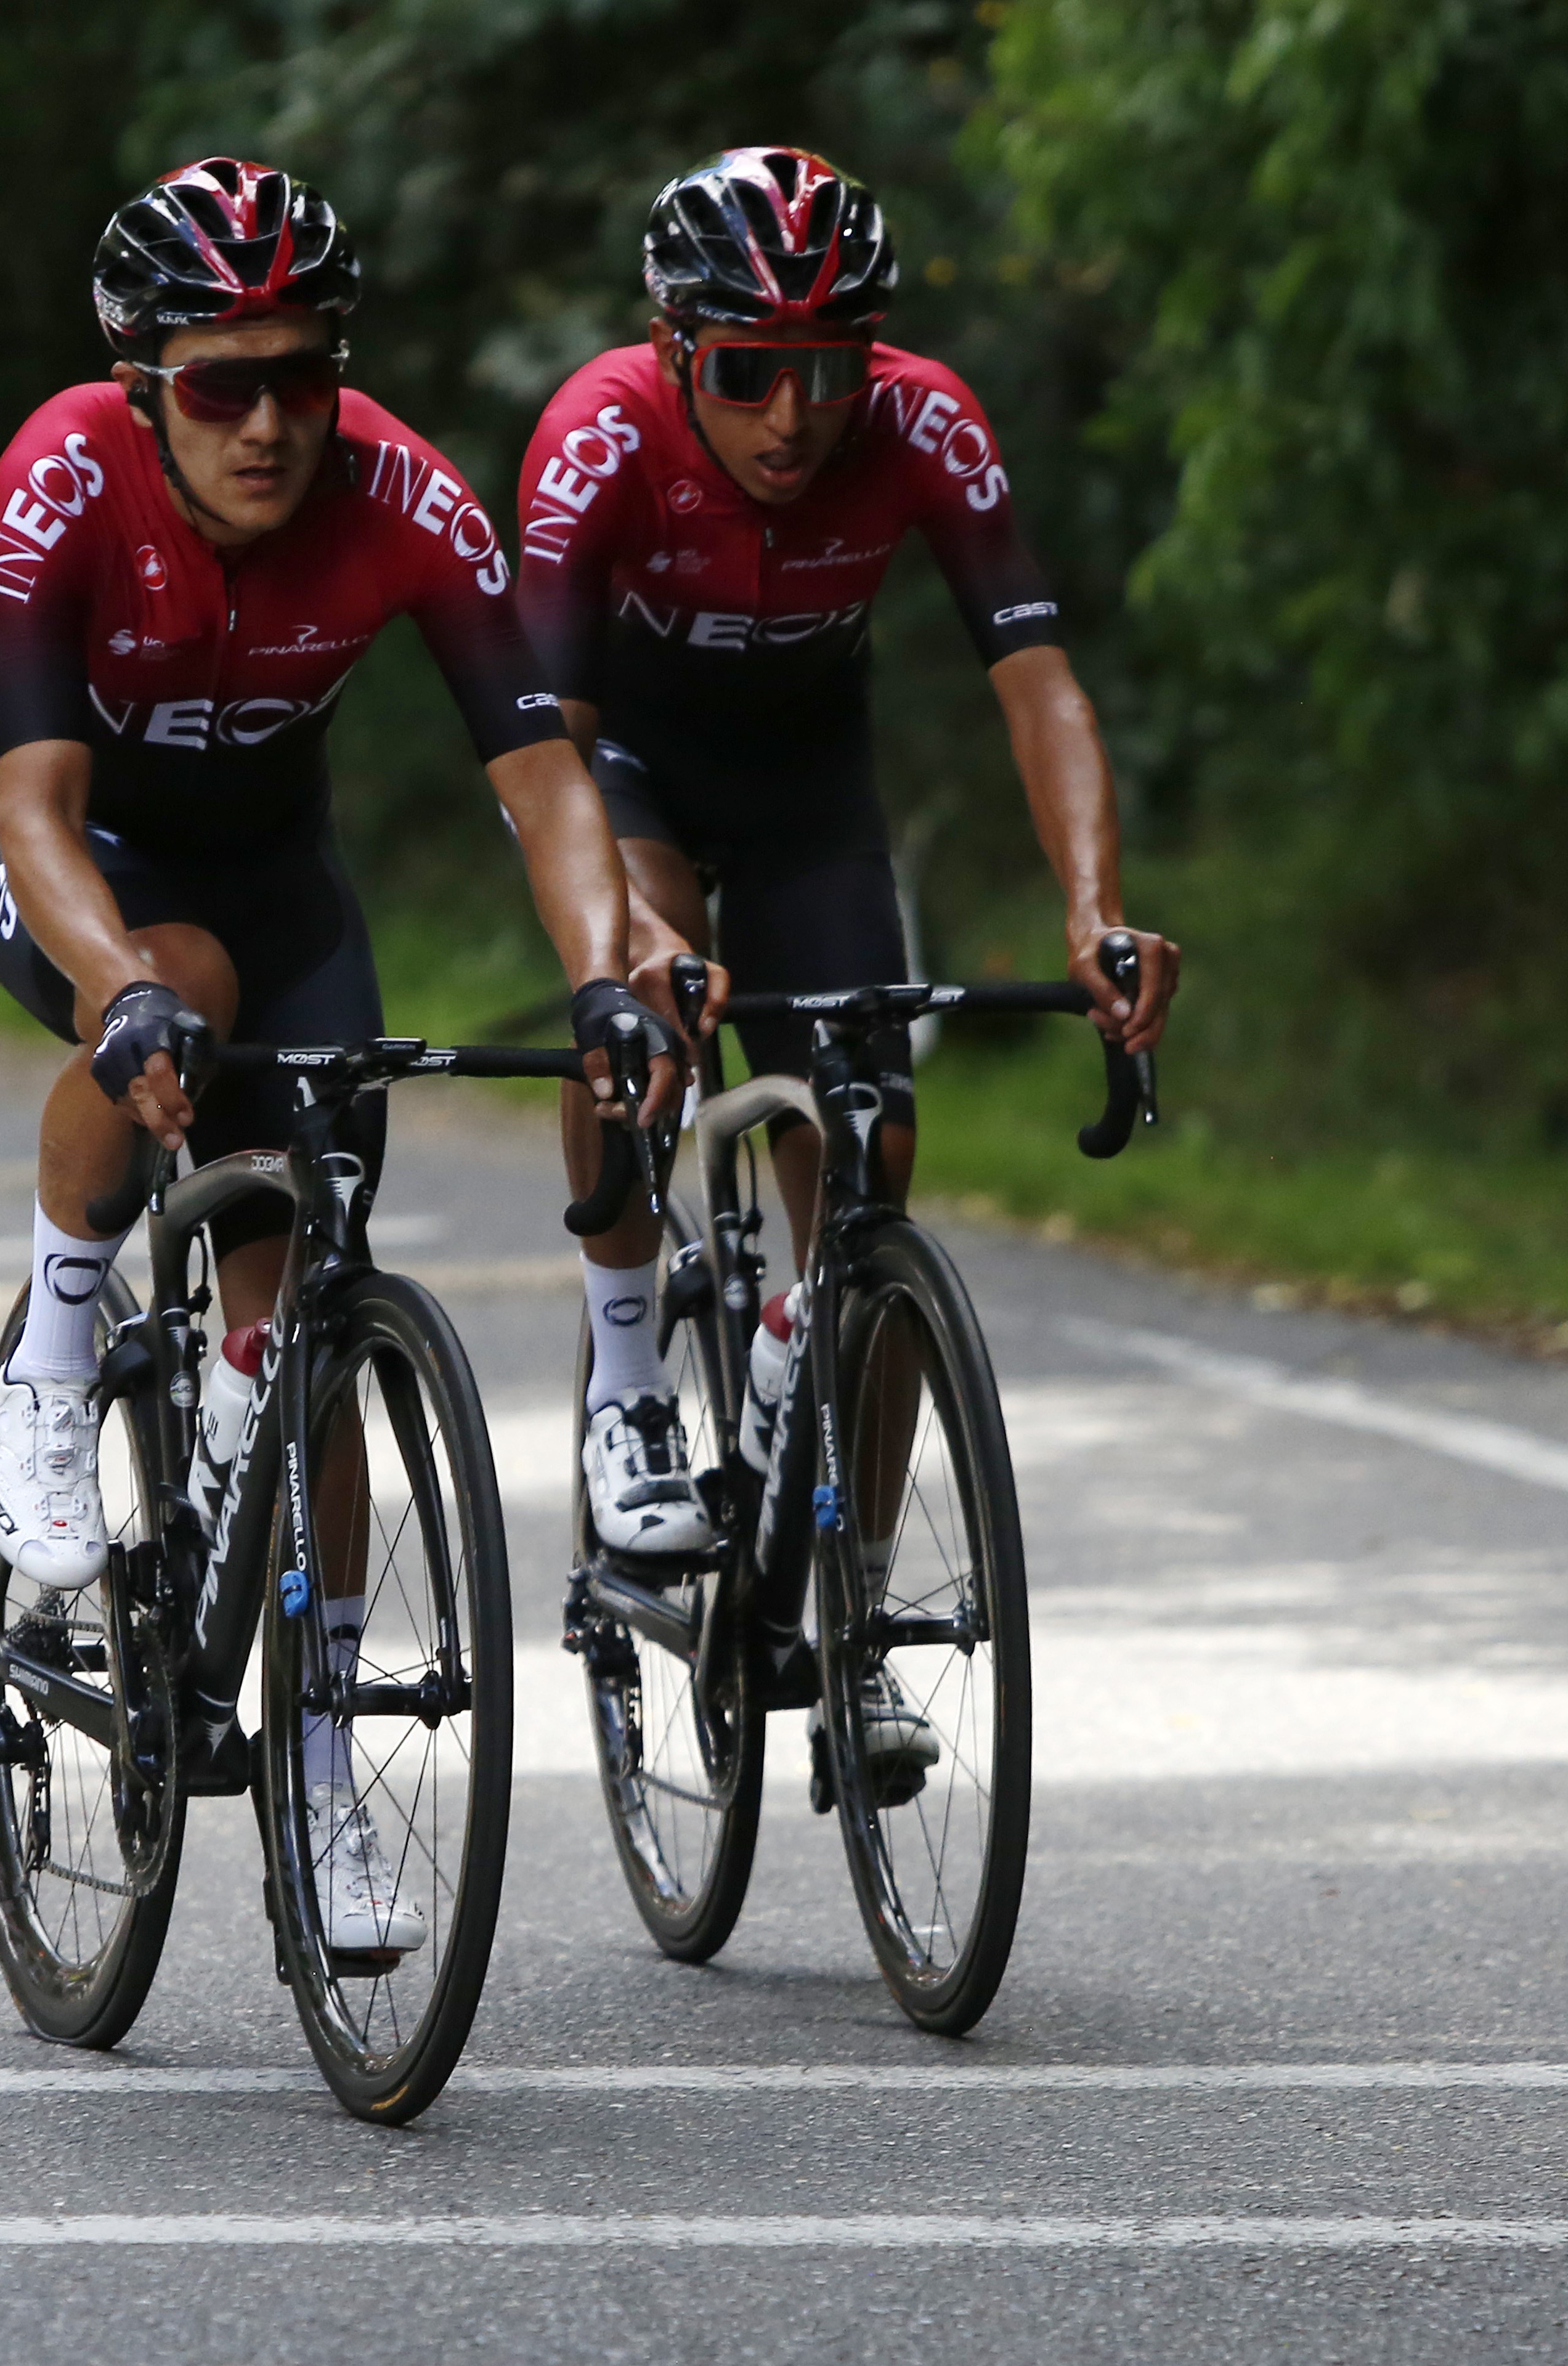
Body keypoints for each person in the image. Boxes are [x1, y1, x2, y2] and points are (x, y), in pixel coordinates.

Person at [0, 157, 685, 1940]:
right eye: (224, 382)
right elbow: (40, 797)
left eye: (305, 373)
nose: (272, 421)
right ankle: (53, 1367)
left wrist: (602, 972)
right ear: (147, 384)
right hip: (75, 856)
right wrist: (115, 985)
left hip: (287, 885)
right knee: (176, 977)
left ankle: (323, 1770)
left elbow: (538, 776)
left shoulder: (408, 496)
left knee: (312, 1319)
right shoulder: (65, 473)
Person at [517, 147, 1179, 1614]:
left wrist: (1092, 909)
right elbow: (546, 748)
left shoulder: (926, 418)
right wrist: (616, 941)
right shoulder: (596, 434)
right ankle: (628, 1371)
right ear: (676, 344)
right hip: (629, 770)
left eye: (832, 370)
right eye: (750, 370)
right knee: (640, 1005)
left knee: (870, 1174)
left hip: (810, 787)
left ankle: (859, 1606)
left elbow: (1039, 683)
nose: (794, 414)